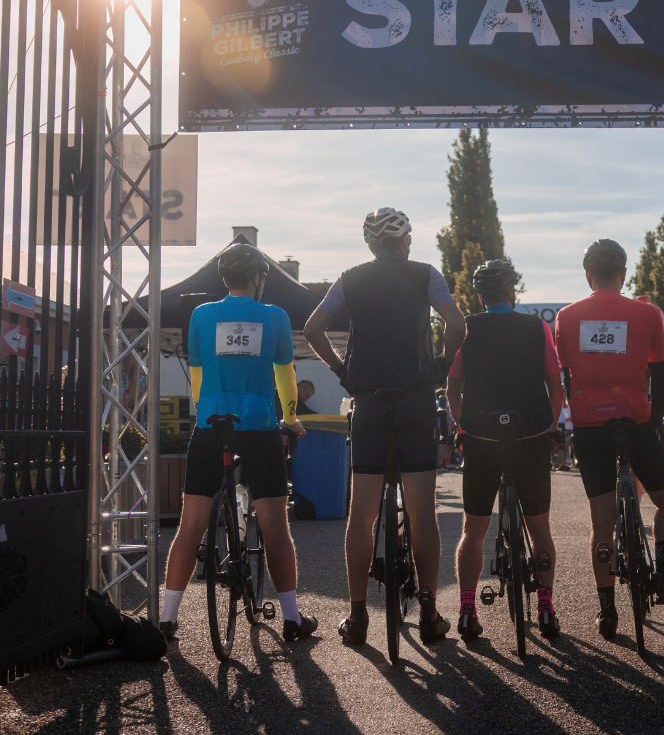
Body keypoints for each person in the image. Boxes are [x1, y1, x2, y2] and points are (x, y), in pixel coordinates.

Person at [303, 208, 466, 647]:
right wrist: (440, 366)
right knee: (422, 512)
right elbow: (457, 324)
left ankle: (358, 616)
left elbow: (313, 328)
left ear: (370, 244)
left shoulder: (350, 278)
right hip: (415, 399)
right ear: (405, 241)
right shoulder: (426, 274)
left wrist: (342, 371)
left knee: (362, 513)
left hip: (369, 400)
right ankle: (429, 612)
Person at [160, 243, 317, 644]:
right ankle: (291, 618)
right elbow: (285, 376)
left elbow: (198, 374)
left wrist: (204, 413)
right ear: (259, 279)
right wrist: (291, 419)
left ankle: (167, 619)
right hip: (259, 426)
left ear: (224, 278)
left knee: (190, 525)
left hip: (211, 424)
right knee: (275, 526)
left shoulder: (200, 315)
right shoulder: (275, 316)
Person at [555, 239, 664, 641]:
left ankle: (607, 609)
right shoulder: (647, 313)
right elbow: (658, 374)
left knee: (602, 520)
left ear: (588, 276)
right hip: (636, 421)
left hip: (590, 426)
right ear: (623, 275)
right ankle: (662, 573)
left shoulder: (566, 317)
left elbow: (566, 375)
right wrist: (656, 422)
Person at [446, 260, 566, 639]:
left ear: (481, 297)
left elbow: (453, 388)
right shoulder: (537, 327)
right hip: (529, 436)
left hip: (482, 437)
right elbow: (556, 387)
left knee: (473, 530)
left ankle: (467, 611)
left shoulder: (466, 329)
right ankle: (545, 608)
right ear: (514, 293)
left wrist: (461, 425)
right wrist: (550, 426)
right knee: (540, 528)